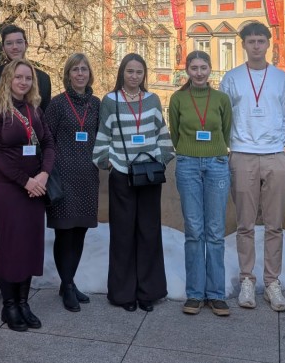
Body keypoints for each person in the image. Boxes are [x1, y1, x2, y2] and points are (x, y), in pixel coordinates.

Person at [0, 25, 52, 309]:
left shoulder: (41, 78)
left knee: (25, 232)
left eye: (19, 42)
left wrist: (40, 173)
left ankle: (19, 294)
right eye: (9, 43)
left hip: (32, 172)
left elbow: (41, 126)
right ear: (3, 46)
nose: (15, 47)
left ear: (26, 44)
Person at [220, 21, 285, 312]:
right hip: (242, 154)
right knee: (245, 224)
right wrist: (235, 145)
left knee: (275, 225)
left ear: (268, 43)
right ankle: (247, 279)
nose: (256, 46)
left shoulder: (281, 77)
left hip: (275, 154)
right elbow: (225, 116)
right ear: (244, 45)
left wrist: (278, 142)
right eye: (251, 41)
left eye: (261, 41)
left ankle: (272, 282)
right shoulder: (232, 77)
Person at [93, 53, 174, 312]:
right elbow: (103, 135)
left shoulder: (152, 99)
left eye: (139, 72)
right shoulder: (110, 101)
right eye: (130, 71)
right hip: (121, 173)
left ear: (144, 75)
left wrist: (162, 159)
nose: (134, 76)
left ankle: (148, 292)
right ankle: (123, 294)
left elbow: (162, 133)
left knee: (149, 233)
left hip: (149, 174)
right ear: (122, 73)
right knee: (122, 234)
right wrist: (107, 162)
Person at [169, 50, 232, 317]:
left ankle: (216, 295)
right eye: (194, 68)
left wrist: (212, 151)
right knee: (194, 230)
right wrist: (190, 151)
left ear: (210, 69)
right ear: (187, 70)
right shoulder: (178, 98)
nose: (198, 73)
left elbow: (226, 130)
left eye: (203, 67)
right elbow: (174, 132)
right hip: (188, 165)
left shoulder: (221, 99)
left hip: (217, 164)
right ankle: (195, 293)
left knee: (215, 231)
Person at [44, 53, 100, 312]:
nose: (80, 74)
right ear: (68, 74)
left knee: (79, 233)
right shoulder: (57, 104)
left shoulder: (96, 104)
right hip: (62, 179)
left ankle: (69, 281)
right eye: (75, 70)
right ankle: (67, 286)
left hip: (88, 178)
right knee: (64, 233)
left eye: (84, 69)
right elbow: (46, 140)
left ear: (90, 74)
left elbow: (102, 137)